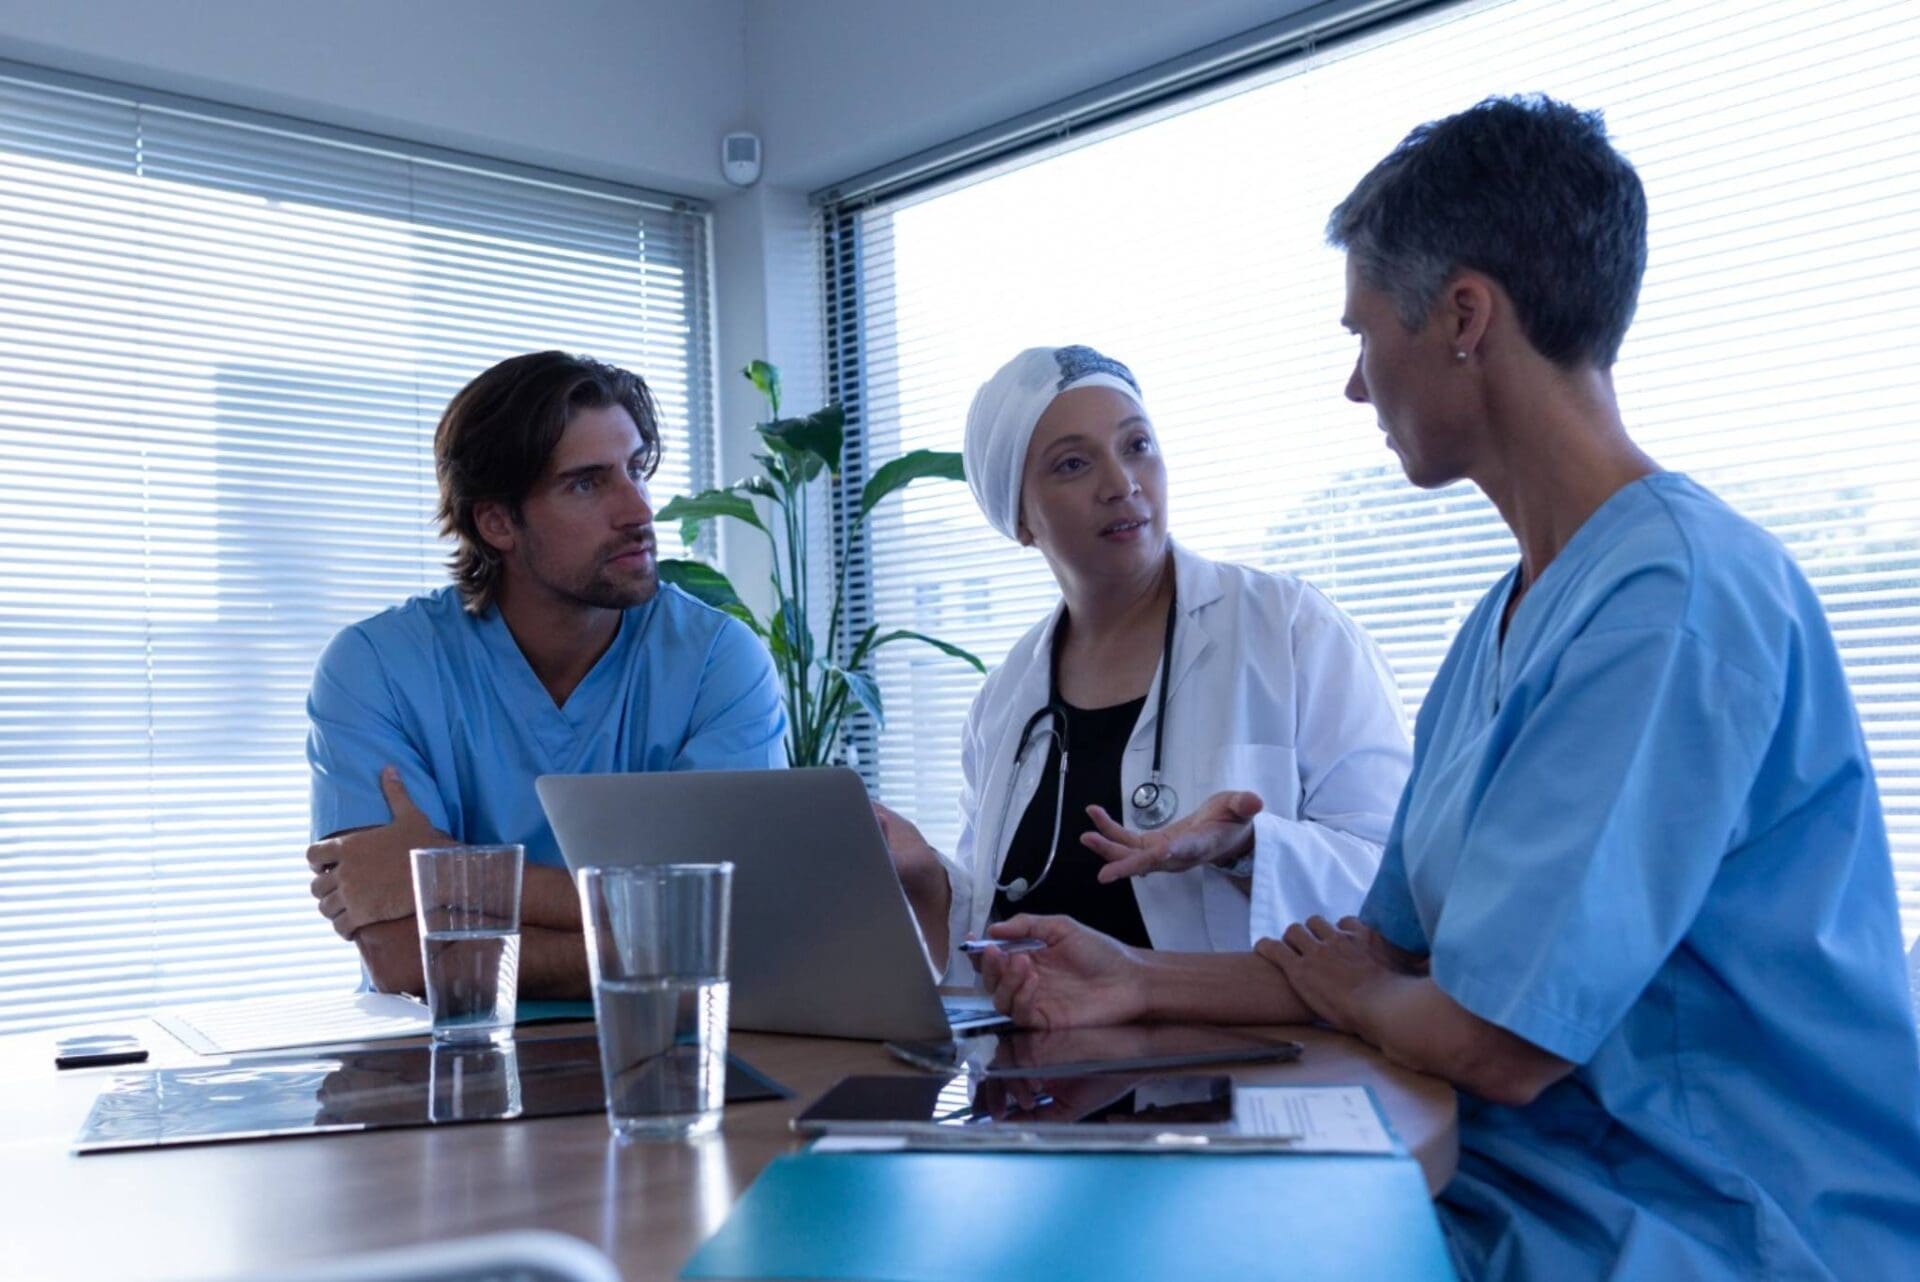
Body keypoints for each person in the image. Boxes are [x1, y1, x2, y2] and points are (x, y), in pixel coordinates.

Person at [972, 97, 1920, 1280]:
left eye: (1364, 333)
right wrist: (1132, 983)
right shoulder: (1507, 621)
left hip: (1705, 1219)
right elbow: (1377, 951)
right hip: (1518, 1181)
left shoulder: (1670, 602)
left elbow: (1497, 1036)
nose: (1358, 386)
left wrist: (1371, 995)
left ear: (1464, 316)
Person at [877, 344, 1411, 978]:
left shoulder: (1291, 629)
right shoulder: (1003, 700)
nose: (1121, 483)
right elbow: (994, 935)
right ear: (1020, 518)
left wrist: (1244, 848)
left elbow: (1395, 881)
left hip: (1247, 1063)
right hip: (1053, 1067)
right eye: (1073, 464)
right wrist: (925, 877)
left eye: (1137, 446)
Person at [304, 351, 785, 999]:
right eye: (587, 483)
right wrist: (648, 931)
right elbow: (401, 957)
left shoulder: (717, 660)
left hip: (666, 1055)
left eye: (635, 469)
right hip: (443, 1067)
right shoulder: (376, 667)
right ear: (497, 522)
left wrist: (447, 874)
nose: (638, 510)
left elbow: (732, 925)